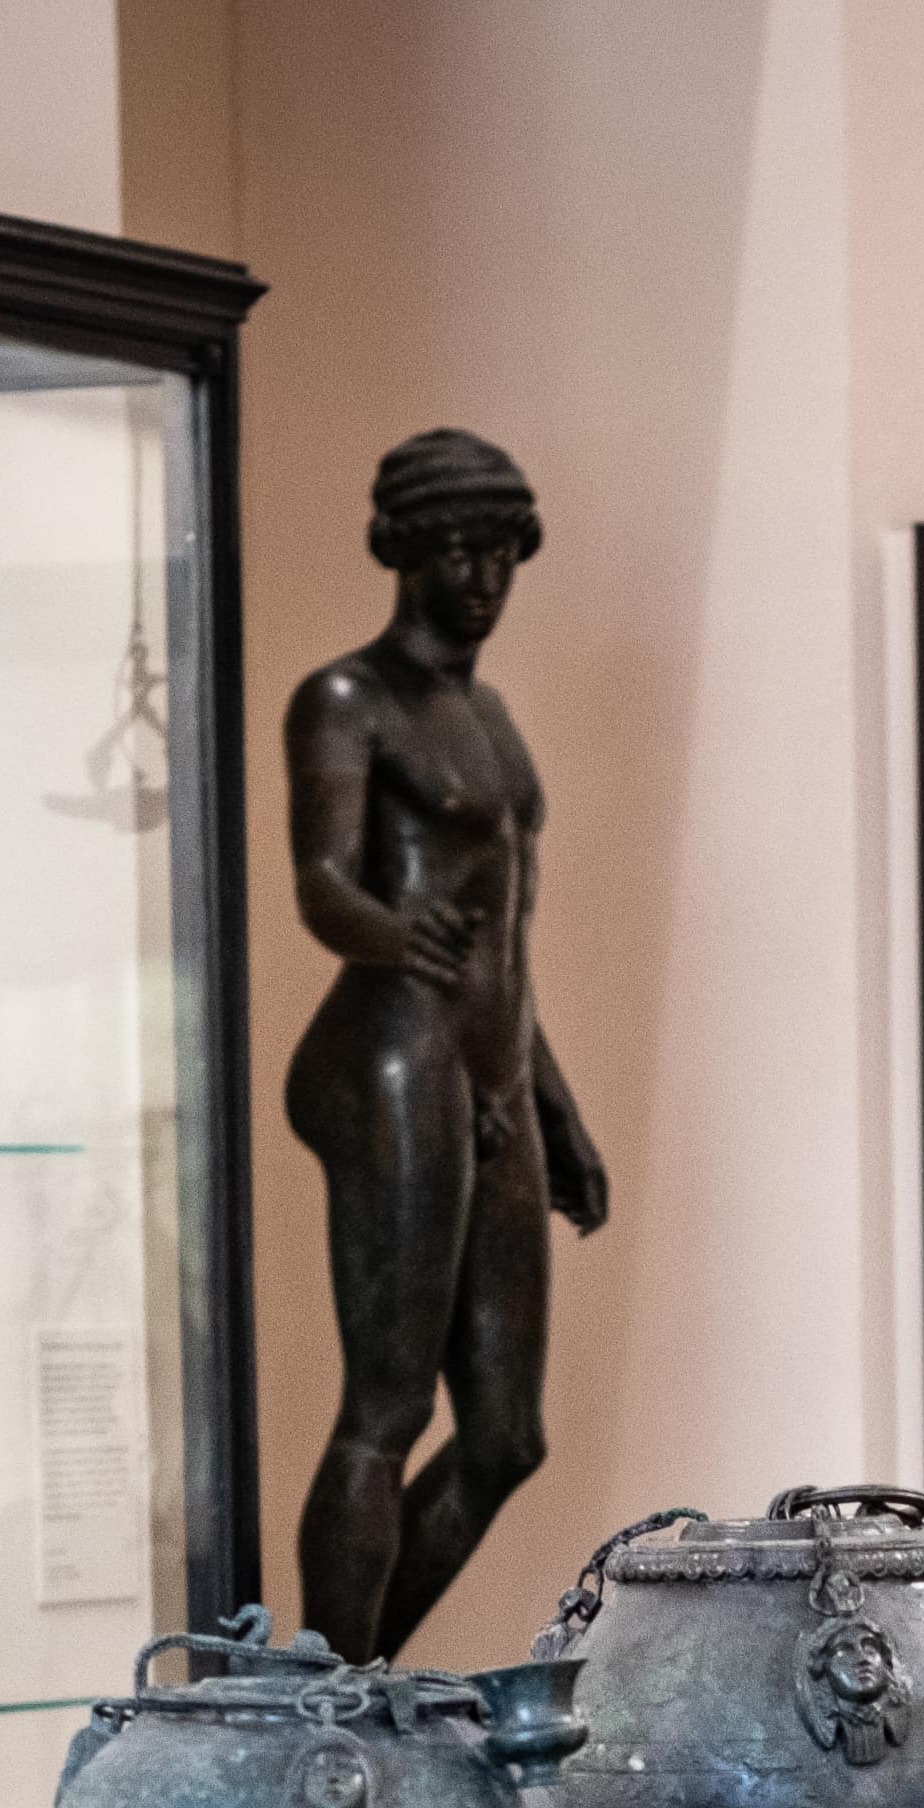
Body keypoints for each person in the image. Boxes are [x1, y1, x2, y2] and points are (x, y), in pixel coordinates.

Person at [285, 428, 607, 1654]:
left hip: (491, 1060)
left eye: (501, 551)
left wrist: (551, 1102)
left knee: (506, 1437)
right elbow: (321, 883)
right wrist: (390, 930)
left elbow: (504, 940)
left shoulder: (492, 714)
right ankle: (326, 1696)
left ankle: (362, 1676)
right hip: (392, 1051)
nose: (482, 577)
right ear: (403, 552)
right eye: (457, 550)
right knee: (388, 1406)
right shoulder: (346, 699)